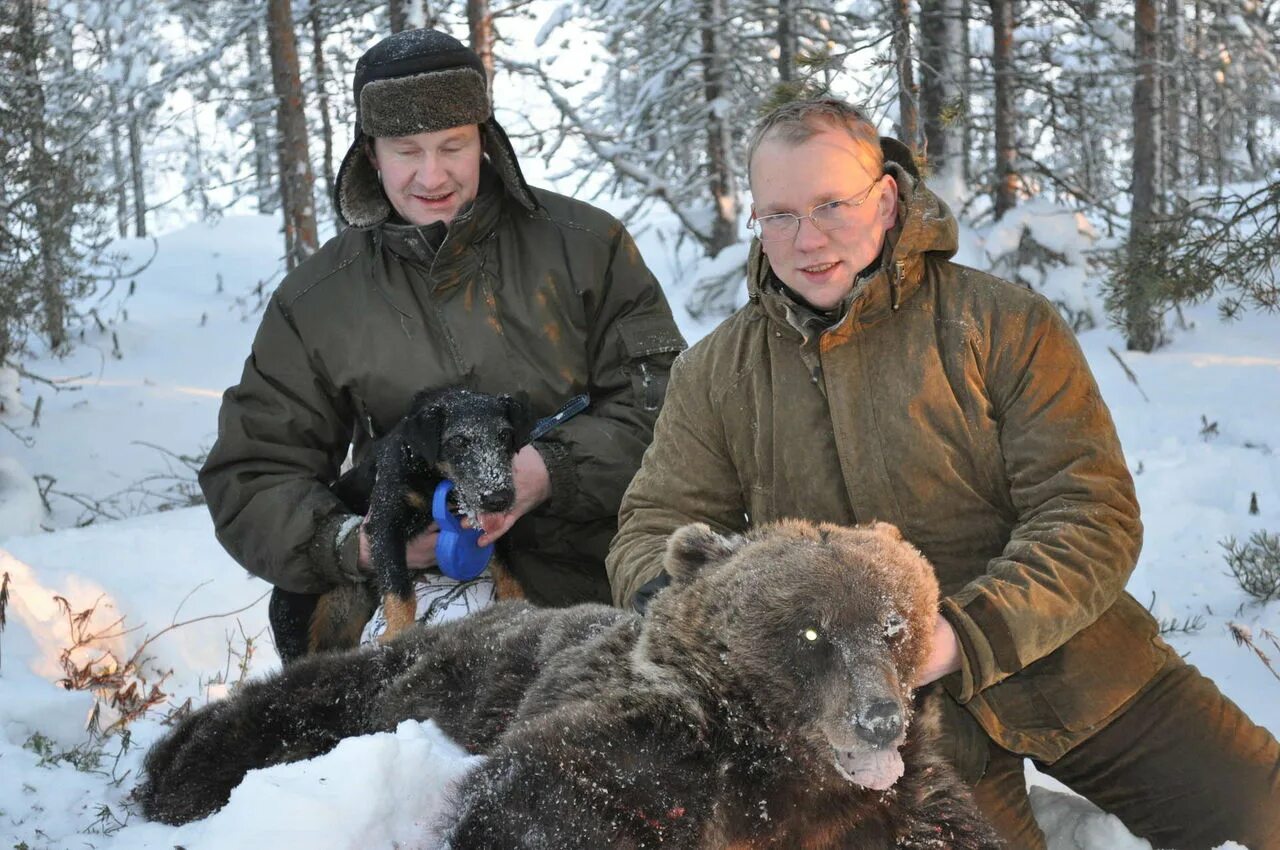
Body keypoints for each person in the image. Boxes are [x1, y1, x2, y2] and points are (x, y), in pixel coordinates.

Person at [607, 97, 1280, 849]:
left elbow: (1090, 514)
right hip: (856, 717)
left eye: (832, 204)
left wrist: (963, 634)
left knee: (1263, 812)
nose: (806, 239)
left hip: (1073, 661)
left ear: (887, 199)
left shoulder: (1000, 324)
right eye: (780, 215)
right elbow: (651, 527)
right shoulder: (717, 372)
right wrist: (700, 619)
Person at [200, 28, 685, 664]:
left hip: (589, 570)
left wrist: (551, 470)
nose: (433, 175)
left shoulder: (587, 247)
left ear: (485, 140)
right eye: (407, 151)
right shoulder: (317, 299)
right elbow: (253, 471)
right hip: (411, 587)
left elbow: (669, 407)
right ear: (371, 156)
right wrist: (365, 544)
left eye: (453, 146)